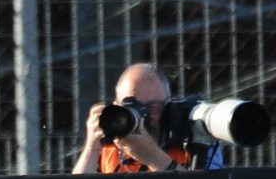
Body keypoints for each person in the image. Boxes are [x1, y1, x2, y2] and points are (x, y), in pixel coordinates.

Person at [72, 63, 224, 173]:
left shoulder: (193, 138)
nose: (143, 116)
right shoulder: (109, 143)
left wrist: (153, 157)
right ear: (116, 106)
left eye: (154, 107)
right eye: (132, 106)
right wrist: (92, 147)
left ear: (169, 106)